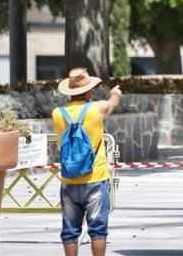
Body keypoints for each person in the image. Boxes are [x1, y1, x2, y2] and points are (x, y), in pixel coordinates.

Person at [52, 68, 123, 256]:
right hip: (95, 179)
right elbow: (112, 103)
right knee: (98, 231)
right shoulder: (97, 108)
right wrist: (115, 93)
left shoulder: (57, 113)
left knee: (70, 233)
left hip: (69, 181)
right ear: (89, 91)